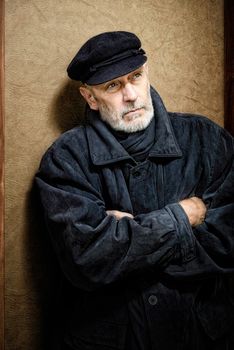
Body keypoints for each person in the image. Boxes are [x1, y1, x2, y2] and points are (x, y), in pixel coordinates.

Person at [36, 31, 234, 350]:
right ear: (90, 97)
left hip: (201, 335)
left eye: (136, 77)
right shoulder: (65, 160)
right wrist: (183, 216)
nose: (131, 94)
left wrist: (127, 238)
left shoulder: (206, 139)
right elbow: (88, 262)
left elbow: (226, 244)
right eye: (112, 85)